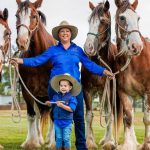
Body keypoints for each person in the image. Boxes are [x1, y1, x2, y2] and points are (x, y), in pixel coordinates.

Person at [10, 20, 114, 150]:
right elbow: (37, 60)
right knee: (59, 119)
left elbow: (89, 64)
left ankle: (81, 147)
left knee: (79, 119)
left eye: (67, 31)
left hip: (74, 89)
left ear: (71, 34)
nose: (65, 33)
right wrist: (20, 60)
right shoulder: (52, 50)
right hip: (56, 89)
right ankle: (61, 146)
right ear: (59, 35)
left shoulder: (78, 50)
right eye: (62, 31)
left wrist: (103, 71)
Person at [45, 73, 80, 150]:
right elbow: (52, 103)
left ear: (70, 87)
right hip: (57, 121)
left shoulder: (72, 98)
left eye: (65, 86)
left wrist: (62, 106)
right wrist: (49, 103)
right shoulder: (56, 96)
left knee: (66, 138)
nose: (63, 87)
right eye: (61, 86)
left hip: (67, 122)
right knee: (58, 138)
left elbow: (71, 109)